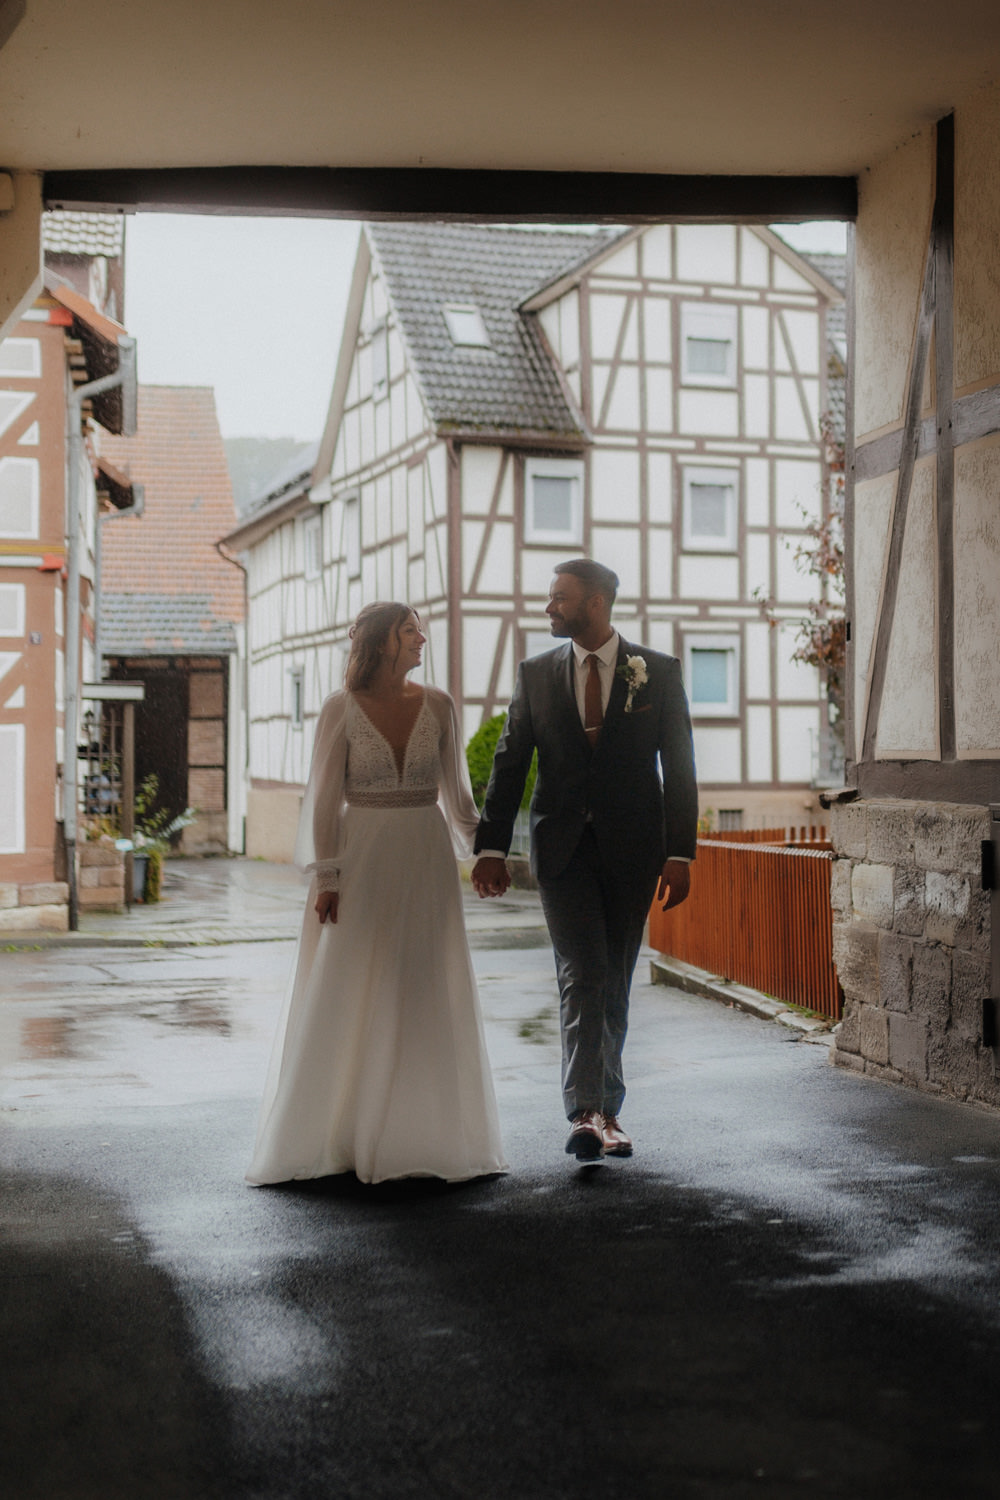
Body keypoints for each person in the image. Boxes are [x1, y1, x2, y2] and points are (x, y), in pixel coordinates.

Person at [247, 602, 507, 1186]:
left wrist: (489, 851)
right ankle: (344, 1132)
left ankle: (422, 1132)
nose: (421, 638)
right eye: (410, 629)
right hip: (361, 856)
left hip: (425, 856)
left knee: (420, 981)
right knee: (356, 979)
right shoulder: (341, 709)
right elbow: (320, 800)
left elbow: (458, 798)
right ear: (382, 642)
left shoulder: (439, 705)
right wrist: (328, 876)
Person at [472, 559, 697, 1162]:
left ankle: (609, 1110)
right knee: (585, 974)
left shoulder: (659, 672)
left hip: (634, 852)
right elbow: (510, 764)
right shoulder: (535, 674)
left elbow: (679, 767)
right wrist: (491, 847)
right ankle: (587, 1111)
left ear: (595, 603)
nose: (549, 608)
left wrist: (680, 852)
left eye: (559, 598)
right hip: (562, 851)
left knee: (614, 981)